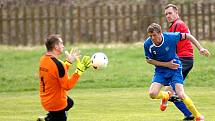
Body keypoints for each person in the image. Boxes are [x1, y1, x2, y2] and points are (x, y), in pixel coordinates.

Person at [143, 23, 209, 121]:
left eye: (154, 35)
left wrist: (200, 48)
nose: (152, 38)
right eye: (150, 36)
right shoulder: (147, 44)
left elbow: (188, 36)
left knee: (181, 94)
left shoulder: (170, 37)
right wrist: (166, 64)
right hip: (161, 70)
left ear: (160, 33)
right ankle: (167, 95)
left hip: (175, 68)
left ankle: (198, 116)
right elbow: (149, 60)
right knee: (152, 94)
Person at [37, 34, 91, 121]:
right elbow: (67, 86)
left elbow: (57, 72)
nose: (63, 45)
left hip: (45, 100)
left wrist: (68, 62)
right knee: (64, 106)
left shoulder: (43, 60)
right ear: (56, 46)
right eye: (61, 43)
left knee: (70, 103)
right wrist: (78, 72)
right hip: (56, 104)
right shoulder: (58, 64)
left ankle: (48, 118)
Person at [161, 4, 196, 120]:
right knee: (169, 91)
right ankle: (188, 114)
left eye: (170, 13)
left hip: (183, 59)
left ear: (177, 13)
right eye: (166, 14)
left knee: (170, 91)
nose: (168, 16)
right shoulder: (174, 26)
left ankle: (190, 113)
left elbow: (172, 44)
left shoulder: (177, 24)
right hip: (183, 59)